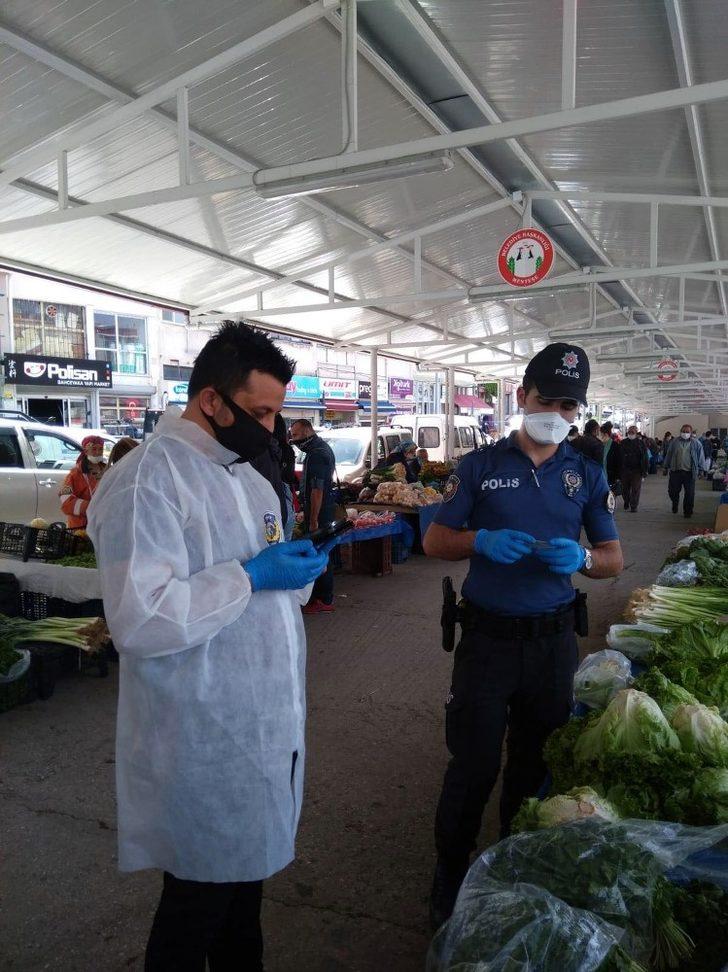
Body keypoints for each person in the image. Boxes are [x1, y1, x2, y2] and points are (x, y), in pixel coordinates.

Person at [86, 321, 329, 971]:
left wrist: (294, 570)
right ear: (210, 400)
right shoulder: (149, 481)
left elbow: (275, 588)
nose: (273, 430)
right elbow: (141, 620)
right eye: (261, 412)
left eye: (278, 414)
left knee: (240, 906)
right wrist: (248, 576)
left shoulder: (245, 474)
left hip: (261, 730)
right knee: (195, 911)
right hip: (202, 743)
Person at [423, 342, 623, 929]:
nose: (556, 414)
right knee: (473, 765)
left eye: (568, 406)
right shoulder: (479, 467)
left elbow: (613, 558)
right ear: (521, 397)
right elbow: (436, 541)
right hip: (486, 643)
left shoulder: (584, 473)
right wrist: (477, 541)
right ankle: (449, 876)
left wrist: (584, 556)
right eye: (546, 400)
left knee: (533, 767)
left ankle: (512, 865)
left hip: (552, 644)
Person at [289, 418, 338, 615]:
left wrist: (313, 520)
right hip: (323, 508)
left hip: (320, 510)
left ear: (308, 432)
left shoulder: (317, 454)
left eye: (296, 435)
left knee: (320, 552)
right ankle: (322, 596)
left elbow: (316, 490)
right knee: (322, 551)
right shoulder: (321, 448)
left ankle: (323, 598)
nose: (293, 440)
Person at [251, 413, 297, 542]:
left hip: (268, 507)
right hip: (282, 502)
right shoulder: (280, 449)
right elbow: (288, 476)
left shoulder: (256, 451)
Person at [59, 435, 107, 529]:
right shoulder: (75, 474)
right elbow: (66, 501)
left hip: (102, 525)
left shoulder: (108, 470)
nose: (97, 452)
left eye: (100, 449)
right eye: (94, 449)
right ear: (85, 451)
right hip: (81, 526)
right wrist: (92, 507)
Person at [663, 423, 705, 518]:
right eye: (683, 431)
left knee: (689, 493)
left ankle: (688, 511)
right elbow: (669, 454)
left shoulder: (696, 443)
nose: (685, 433)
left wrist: (701, 470)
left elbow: (700, 457)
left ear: (691, 433)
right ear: (680, 432)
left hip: (689, 473)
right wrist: (665, 467)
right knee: (672, 491)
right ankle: (675, 503)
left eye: (687, 432)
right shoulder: (674, 442)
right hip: (676, 472)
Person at [620, 426, 648, 512]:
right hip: (624, 470)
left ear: (636, 433)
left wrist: (645, 471)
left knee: (635, 489)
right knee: (624, 489)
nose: (631, 434)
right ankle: (626, 500)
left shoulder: (641, 443)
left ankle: (633, 506)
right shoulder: (623, 442)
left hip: (637, 470)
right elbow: (618, 457)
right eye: (629, 432)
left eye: (632, 432)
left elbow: (645, 457)